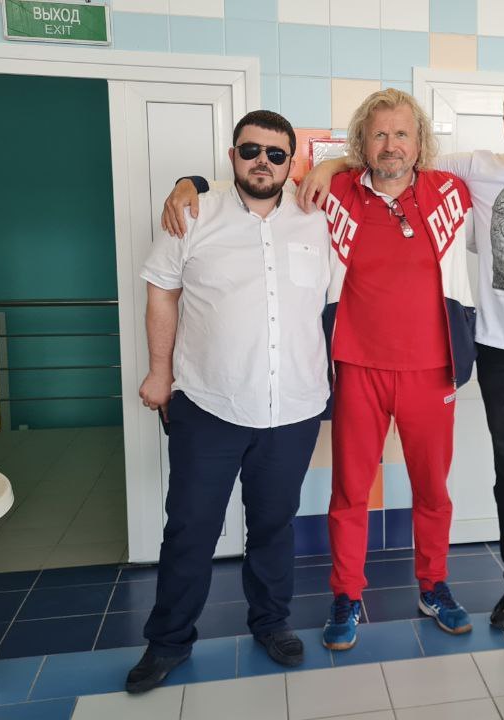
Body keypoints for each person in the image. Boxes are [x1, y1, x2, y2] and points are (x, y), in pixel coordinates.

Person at [162, 89, 477, 652]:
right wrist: (192, 182)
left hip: (433, 370)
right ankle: (346, 594)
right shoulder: (332, 194)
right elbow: (257, 182)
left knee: (433, 490)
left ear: (420, 141)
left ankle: (433, 585)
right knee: (349, 492)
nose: (391, 145)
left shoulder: (451, 191)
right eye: (379, 134)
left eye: (402, 133)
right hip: (355, 368)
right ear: (362, 143)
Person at [126, 110, 330, 693]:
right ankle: (168, 642)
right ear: (232, 154)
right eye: (251, 150)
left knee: (273, 525)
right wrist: (159, 373)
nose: (263, 162)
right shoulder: (193, 213)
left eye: (276, 154)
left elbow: (374, 168)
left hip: (293, 406)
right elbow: (161, 294)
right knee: (190, 528)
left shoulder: (318, 220)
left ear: (292, 163)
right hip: (208, 404)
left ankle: (271, 623)